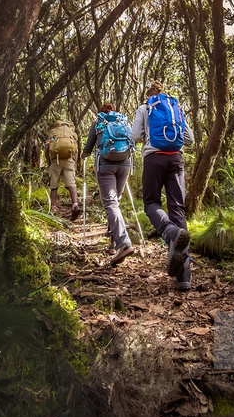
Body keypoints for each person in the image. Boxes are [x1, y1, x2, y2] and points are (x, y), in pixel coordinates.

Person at [131, 81, 194, 291]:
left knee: (151, 203)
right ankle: (184, 277)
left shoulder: (145, 107)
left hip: (153, 158)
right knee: (177, 209)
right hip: (176, 159)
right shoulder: (176, 108)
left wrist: (149, 137)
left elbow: (135, 136)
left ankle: (169, 231)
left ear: (149, 94)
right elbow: (190, 138)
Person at [82, 102, 135, 266]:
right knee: (115, 203)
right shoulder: (124, 123)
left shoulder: (98, 124)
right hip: (125, 165)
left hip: (105, 166)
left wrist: (83, 156)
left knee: (111, 204)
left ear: (102, 112)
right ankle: (113, 245)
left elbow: (88, 148)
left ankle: (123, 242)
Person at [45, 120, 82, 220]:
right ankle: (75, 204)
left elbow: (47, 147)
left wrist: (48, 161)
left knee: (54, 186)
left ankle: (53, 208)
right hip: (69, 160)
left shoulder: (53, 133)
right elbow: (76, 150)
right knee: (71, 184)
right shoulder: (72, 133)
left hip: (55, 161)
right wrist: (75, 162)